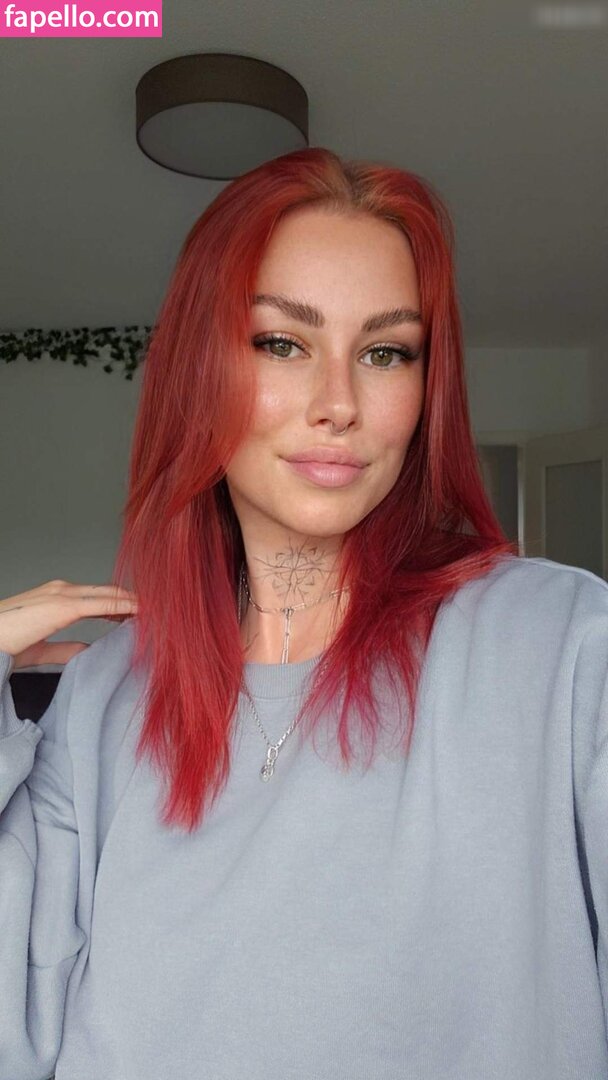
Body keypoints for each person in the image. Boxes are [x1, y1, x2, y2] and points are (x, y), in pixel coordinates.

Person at [1, 146, 607, 1080]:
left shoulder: (563, 645)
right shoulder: (101, 699)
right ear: (197, 369)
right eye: (282, 343)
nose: (339, 404)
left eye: (385, 352)